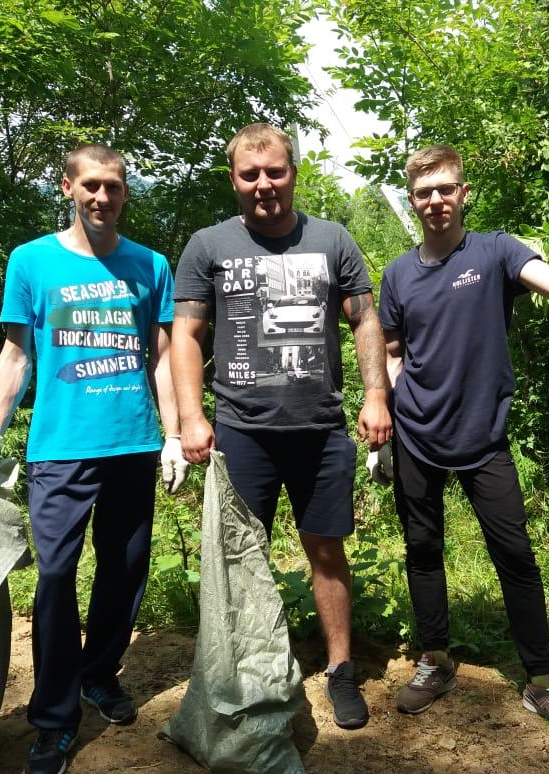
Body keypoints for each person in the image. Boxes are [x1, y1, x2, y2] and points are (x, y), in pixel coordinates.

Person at [374, 144, 549, 745]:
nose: (436, 200)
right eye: (424, 192)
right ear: (412, 200)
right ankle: (436, 658)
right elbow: (393, 353)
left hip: (483, 437)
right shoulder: (398, 274)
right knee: (423, 549)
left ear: (463, 193)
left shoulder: (497, 250)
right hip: (416, 437)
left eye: (446, 188)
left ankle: (540, 679)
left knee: (516, 556)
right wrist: (386, 426)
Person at [0, 143, 188, 774]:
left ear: (124, 192)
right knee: (57, 576)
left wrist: (172, 435)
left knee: (125, 569)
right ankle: (55, 720)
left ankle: (99, 673)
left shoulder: (150, 265)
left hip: (133, 444)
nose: (102, 197)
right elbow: (16, 355)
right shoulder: (31, 260)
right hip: (59, 450)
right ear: (68, 187)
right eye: (91, 185)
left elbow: (162, 357)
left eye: (113, 186)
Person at [170, 123, 392, 730]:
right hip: (242, 431)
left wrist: (377, 395)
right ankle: (247, 673)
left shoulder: (332, 238)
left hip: (320, 430)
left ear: (293, 173)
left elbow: (364, 319)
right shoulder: (208, 245)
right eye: (250, 174)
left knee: (326, 549)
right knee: (241, 556)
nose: (264, 184)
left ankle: (340, 669)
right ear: (234, 180)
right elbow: (186, 334)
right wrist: (190, 418)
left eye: (275, 172)